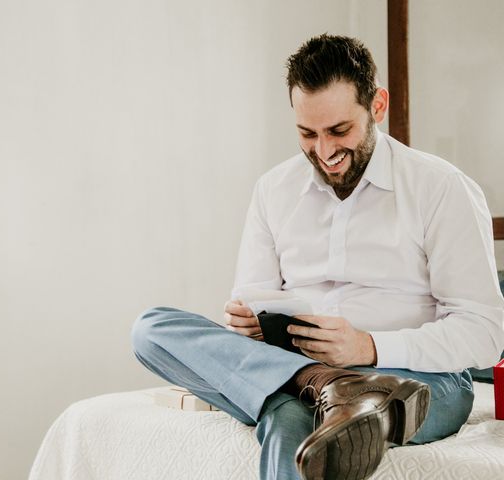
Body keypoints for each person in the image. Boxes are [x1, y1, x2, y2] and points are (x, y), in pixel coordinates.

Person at [131, 34, 504, 480]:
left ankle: (341, 391)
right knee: (151, 330)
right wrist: (250, 324)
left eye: (339, 131)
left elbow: (485, 332)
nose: (324, 153)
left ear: (377, 106)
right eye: (308, 134)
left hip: (418, 379)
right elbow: (251, 297)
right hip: (296, 368)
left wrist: (368, 347)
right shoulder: (273, 190)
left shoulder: (441, 188)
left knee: (286, 416)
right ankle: (327, 385)